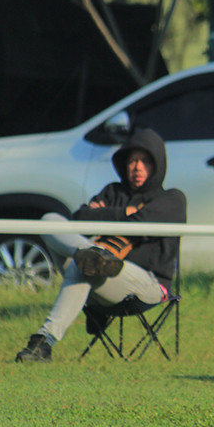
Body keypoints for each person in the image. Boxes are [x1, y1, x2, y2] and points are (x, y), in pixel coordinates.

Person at [15, 127, 186, 363]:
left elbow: (141, 222)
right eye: (132, 160)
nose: (137, 167)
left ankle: (43, 343)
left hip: (149, 285)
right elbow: (80, 219)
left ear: (158, 165)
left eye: (145, 161)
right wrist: (125, 211)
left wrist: (105, 215)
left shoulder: (172, 199)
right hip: (100, 276)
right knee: (50, 221)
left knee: (85, 266)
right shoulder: (113, 191)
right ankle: (89, 255)